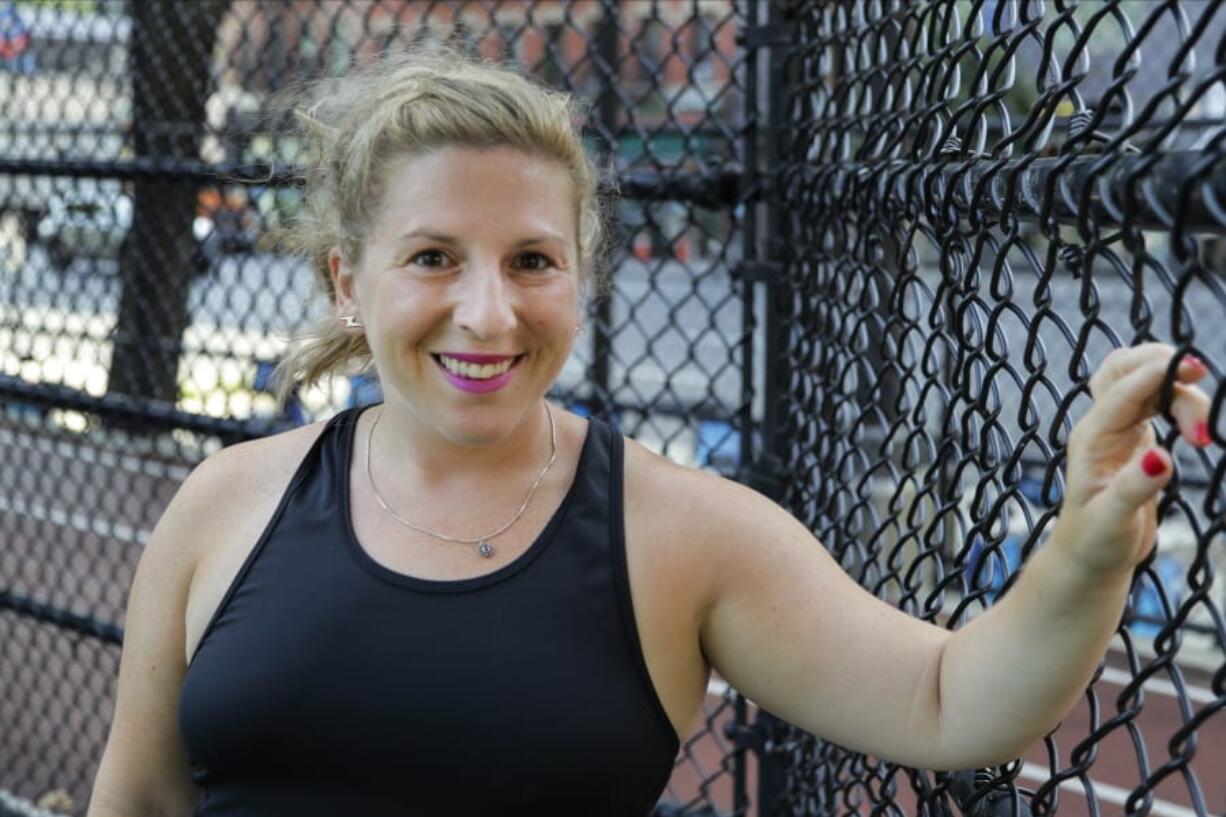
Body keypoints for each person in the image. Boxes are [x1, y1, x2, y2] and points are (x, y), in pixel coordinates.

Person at [85, 47, 1215, 817]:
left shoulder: (681, 532)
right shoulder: (223, 502)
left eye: (532, 260)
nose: (489, 312)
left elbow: (946, 699)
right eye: (432, 257)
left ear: (580, 279)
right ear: (348, 281)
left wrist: (1086, 539)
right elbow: (133, 803)